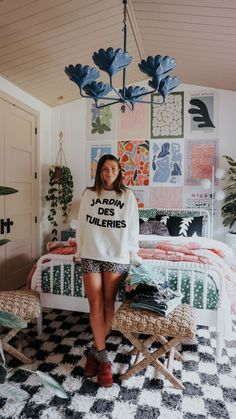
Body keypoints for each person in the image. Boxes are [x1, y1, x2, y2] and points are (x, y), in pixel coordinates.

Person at [76, 154, 141, 387]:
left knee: (108, 304)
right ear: (99, 172)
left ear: (119, 170)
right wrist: (78, 251)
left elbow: (133, 227)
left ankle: (95, 350)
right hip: (91, 254)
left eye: (113, 168)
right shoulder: (89, 194)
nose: (109, 173)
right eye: (104, 169)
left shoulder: (127, 195)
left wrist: (133, 255)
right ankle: (104, 359)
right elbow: (82, 224)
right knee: (94, 305)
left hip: (116, 255)